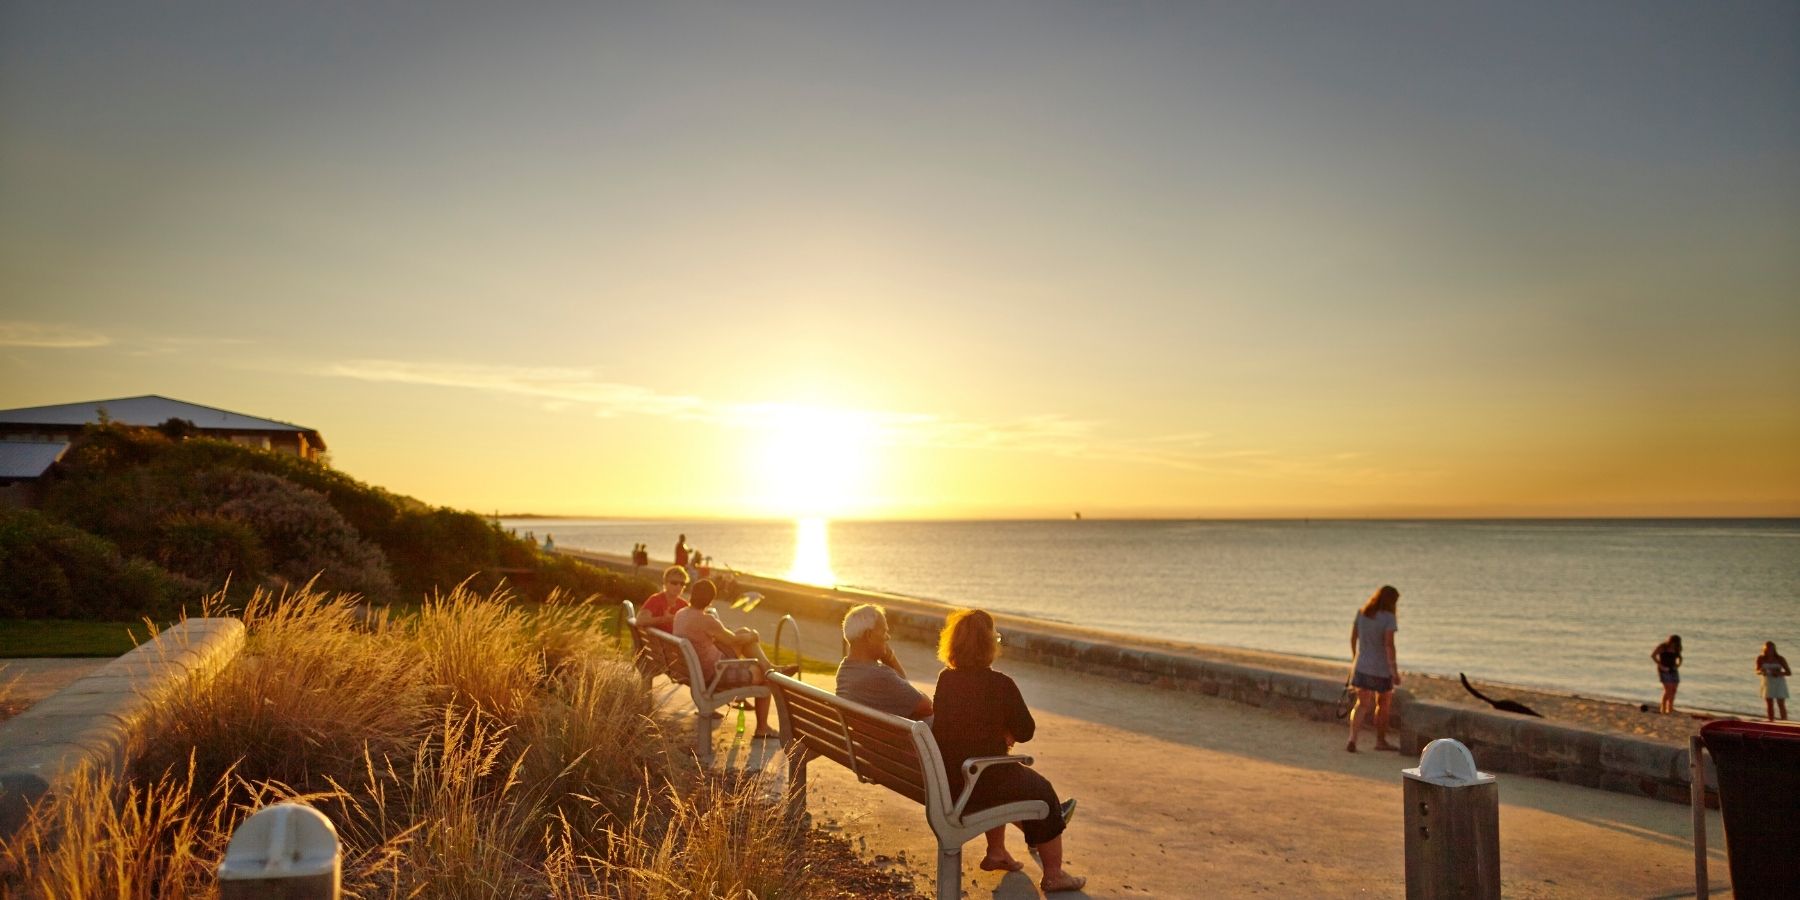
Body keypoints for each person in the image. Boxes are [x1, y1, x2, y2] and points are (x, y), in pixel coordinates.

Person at [932, 609, 1084, 894]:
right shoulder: (1001, 684)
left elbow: (955, 725)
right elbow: (1026, 731)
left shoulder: (946, 680)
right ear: (989, 645)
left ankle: (997, 851)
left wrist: (994, 733)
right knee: (1043, 793)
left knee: (1000, 770)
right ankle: (1054, 874)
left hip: (950, 779)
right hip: (979, 782)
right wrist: (1005, 730)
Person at [672, 579, 795, 739]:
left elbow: (723, 638)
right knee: (766, 677)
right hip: (715, 673)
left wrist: (743, 635)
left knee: (743, 633)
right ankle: (762, 727)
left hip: (695, 670)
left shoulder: (681, 614)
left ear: (692, 594)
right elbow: (733, 641)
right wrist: (753, 635)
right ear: (711, 600)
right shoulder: (706, 620)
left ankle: (770, 667)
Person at [835, 604, 933, 720]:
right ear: (869, 635)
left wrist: (889, 657)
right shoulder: (880, 676)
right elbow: (927, 707)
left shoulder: (844, 671)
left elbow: (903, 687)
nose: (888, 637)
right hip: (912, 736)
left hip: (866, 735)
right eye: (884, 631)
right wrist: (890, 658)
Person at [1346, 585, 1401, 753]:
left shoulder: (1362, 613)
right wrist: (1394, 671)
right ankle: (1380, 741)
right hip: (1381, 669)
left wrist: (1356, 657)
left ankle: (1352, 739)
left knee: (1361, 704)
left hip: (1362, 665)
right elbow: (1389, 645)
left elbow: (1353, 638)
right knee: (1383, 704)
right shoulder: (1389, 618)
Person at [638, 566, 690, 633]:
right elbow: (640, 620)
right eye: (674, 583)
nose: (678, 586)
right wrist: (663, 619)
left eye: (682, 584)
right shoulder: (656, 600)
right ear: (665, 583)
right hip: (659, 642)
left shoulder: (684, 605)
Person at [1756, 641, 1790, 721]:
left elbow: (1788, 672)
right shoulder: (1761, 658)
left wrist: (1778, 673)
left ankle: (1784, 721)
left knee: (1781, 703)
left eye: (1771, 649)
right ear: (1764, 649)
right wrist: (1762, 671)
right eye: (1768, 649)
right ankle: (1771, 720)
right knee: (1769, 703)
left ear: (1774, 649)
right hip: (1768, 681)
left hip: (1779, 681)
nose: (1770, 651)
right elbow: (1757, 670)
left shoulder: (1780, 659)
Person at [1653, 635, 1682, 714]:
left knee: (1674, 690)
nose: (1674, 644)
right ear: (1670, 641)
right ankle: (1663, 708)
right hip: (1664, 670)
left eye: (1677, 643)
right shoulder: (1663, 647)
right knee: (1668, 690)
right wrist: (1660, 665)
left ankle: (1670, 708)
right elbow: (1653, 655)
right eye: (1674, 642)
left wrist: (1678, 665)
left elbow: (1680, 658)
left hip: (1673, 670)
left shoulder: (1677, 648)